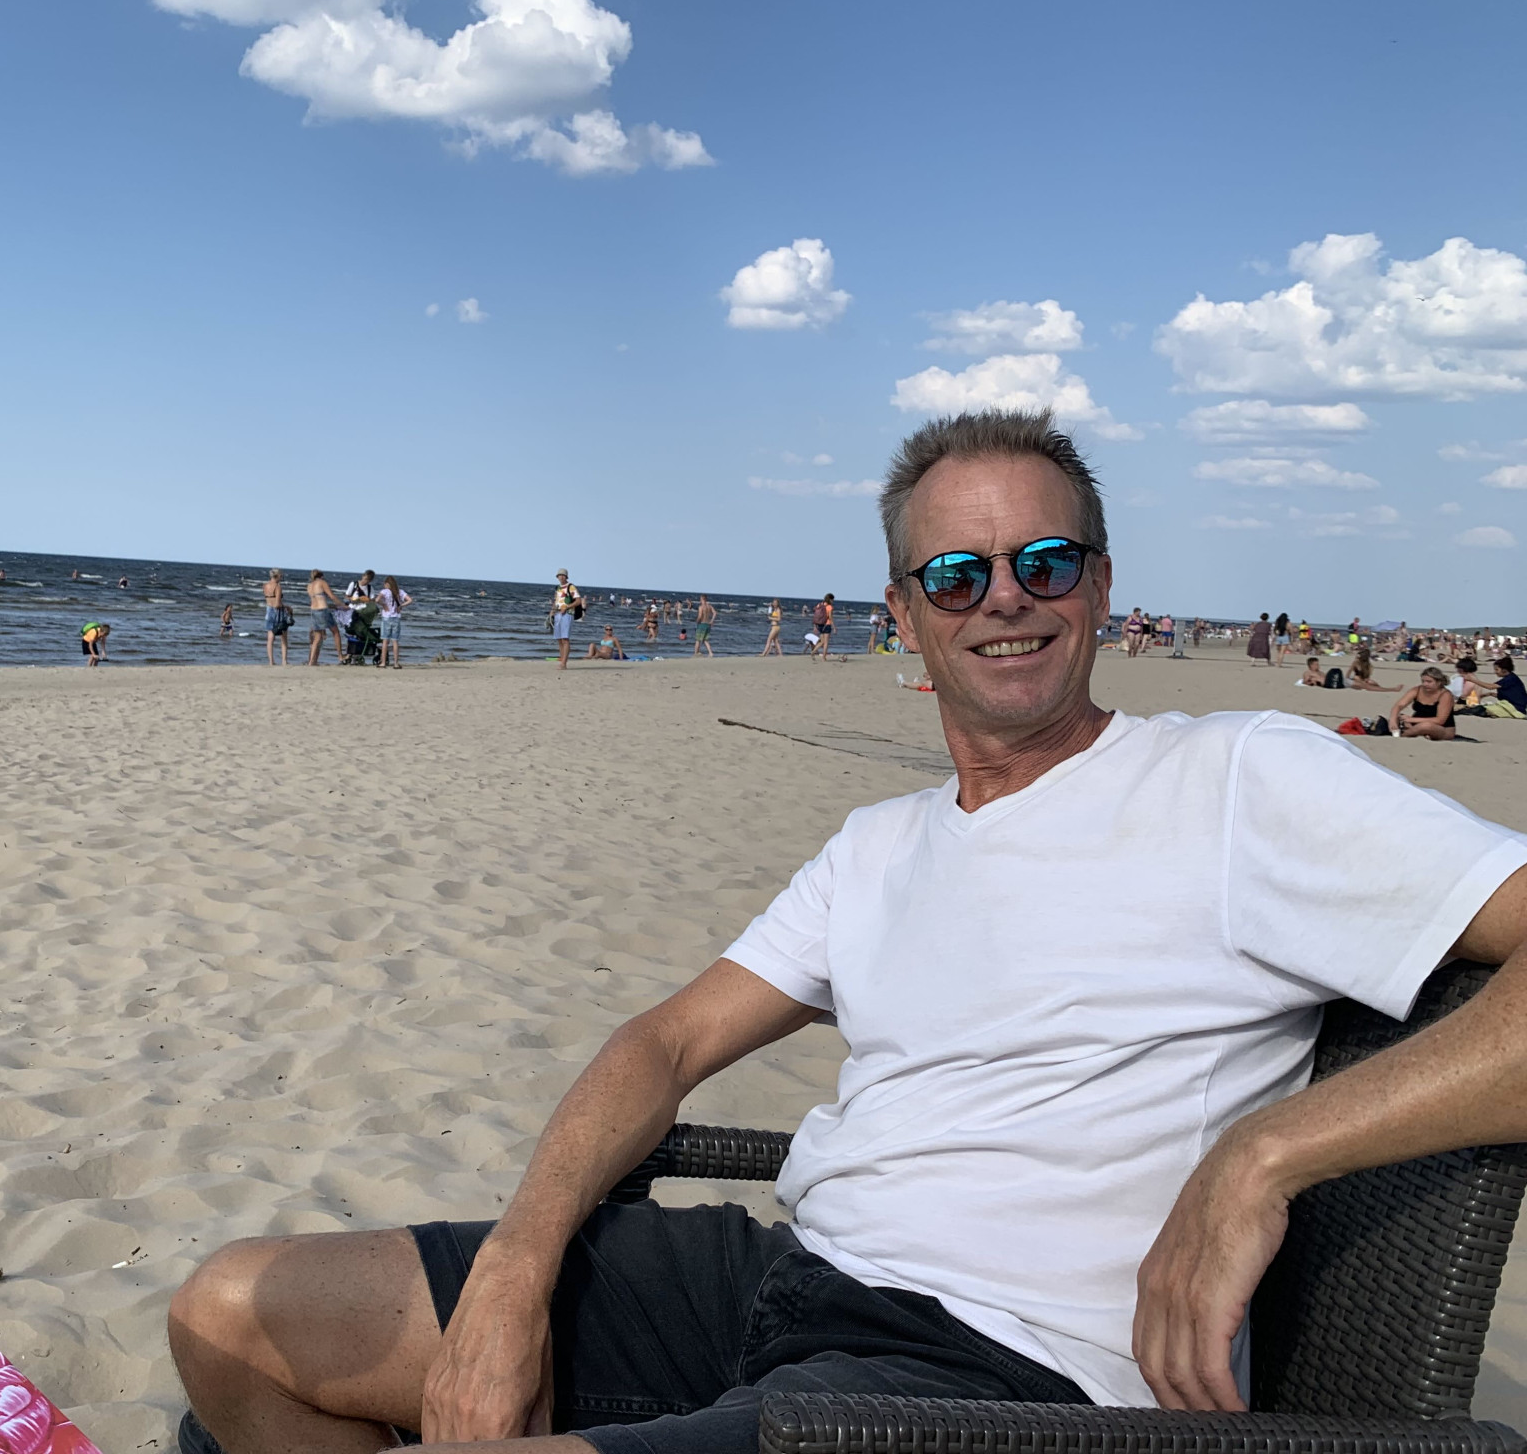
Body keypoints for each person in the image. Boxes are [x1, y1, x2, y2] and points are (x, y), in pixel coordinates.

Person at [166, 408, 1527, 1454]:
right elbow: (662, 1043)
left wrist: (1262, 1154)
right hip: (784, 1282)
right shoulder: (879, 845)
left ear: (1101, 585)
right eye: (958, 574)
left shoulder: (1235, 778)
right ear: (905, 615)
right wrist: (517, 1269)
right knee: (228, 1318)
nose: (1005, 597)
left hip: (994, 1380)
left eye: (1043, 561)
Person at [1393, 667, 1457, 740]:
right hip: (1416, 723)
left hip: (1442, 728)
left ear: (1439, 682)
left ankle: (1402, 734)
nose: (1425, 684)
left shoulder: (1445, 695)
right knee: (1398, 717)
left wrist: (1412, 719)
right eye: (1423, 681)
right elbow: (1399, 705)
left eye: (1429, 682)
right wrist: (1393, 720)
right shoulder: (1417, 690)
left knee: (1426, 726)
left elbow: (1440, 720)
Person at [307, 571, 343, 666]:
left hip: (313, 611)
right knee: (336, 632)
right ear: (321, 576)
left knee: (317, 637)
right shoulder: (322, 582)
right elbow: (331, 596)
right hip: (322, 610)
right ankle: (340, 656)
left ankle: (311, 661)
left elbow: (316, 599)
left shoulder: (309, 586)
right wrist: (342, 605)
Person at [377, 577, 413, 669]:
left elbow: (377, 600)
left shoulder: (385, 591)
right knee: (395, 641)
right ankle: (396, 663)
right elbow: (410, 600)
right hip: (396, 618)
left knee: (385, 641)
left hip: (386, 618)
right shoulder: (400, 592)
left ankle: (383, 662)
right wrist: (401, 606)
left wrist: (384, 604)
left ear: (387, 584)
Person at [553, 570, 584, 671]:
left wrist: (567, 607)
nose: (561, 577)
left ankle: (564, 663)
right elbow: (556, 600)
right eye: (559, 575)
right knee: (559, 639)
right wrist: (552, 611)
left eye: (563, 575)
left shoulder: (571, 587)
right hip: (558, 614)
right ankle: (562, 661)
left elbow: (578, 601)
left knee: (565, 639)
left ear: (566, 577)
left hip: (567, 614)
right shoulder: (558, 588)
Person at [264, 569, 289, 666]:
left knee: (270, 638)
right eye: (280, 575)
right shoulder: (277, 587)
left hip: (268, 610)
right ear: (277, 576)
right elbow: (277, 604)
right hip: (278, 612)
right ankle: (284, 661)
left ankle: (271, 661)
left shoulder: (265, 586)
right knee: (283, 637)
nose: (281, 577)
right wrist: (287, 607)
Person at [812, 594, 834, 659]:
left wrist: (815, 626)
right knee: (826, 642)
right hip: (827, 625)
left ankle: (813, 651)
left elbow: (815, 615)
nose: (833, 601)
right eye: (832, 600)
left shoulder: (820, 604)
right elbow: (830, 617)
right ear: (830, 599)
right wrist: (834, 626)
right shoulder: (829, 607)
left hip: (820, 624)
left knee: (822, 641)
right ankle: (824, 657)